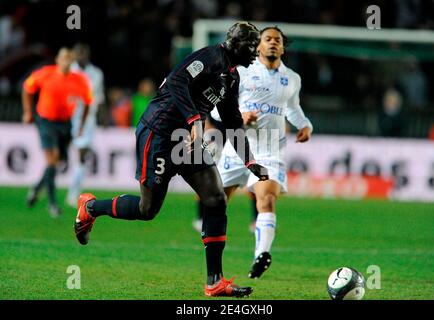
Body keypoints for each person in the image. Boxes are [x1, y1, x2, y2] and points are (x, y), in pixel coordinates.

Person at [74, 21, 268, 297]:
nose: (255, 53)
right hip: (160, 133)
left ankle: (215, 281)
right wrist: (195, 121)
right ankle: (91, 207)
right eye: (252, 48)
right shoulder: (211, 57)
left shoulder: (232, 77)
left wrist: (250, 162)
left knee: (215, 198)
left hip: (187, 138)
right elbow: (178, 80)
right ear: (238, 45)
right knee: (148, 209)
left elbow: (233, 122)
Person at [211, 26, 313, 279]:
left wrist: (305, 124)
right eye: (267, 39)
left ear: (283, 46)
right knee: (215, 203)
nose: (272, 43)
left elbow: (293, 108)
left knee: (266, 199)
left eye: (277, 40)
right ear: (258, 45)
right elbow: (214, 110)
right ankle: (213, 266)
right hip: (238, 146)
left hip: (270, 150)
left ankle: (261, 255)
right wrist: (240, 116)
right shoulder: (241, 72)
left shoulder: (292, 78)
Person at [23, 47, 92, 216]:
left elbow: (88, 102)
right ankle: (52, 204)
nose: (66, 61)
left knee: (57, 161)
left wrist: (82, 124)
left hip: (65, 123)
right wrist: (27, 111)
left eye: (69, 58)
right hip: (46, 121)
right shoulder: (46, 73)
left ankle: (36, 188)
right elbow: (27, 87)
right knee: (53, 159)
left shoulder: (79, 80)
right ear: (57, 60)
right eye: (64, 58)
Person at [66, 43, 105, 207]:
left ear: (88, 54)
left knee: (82, 155)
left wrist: (103, 118)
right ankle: (44, 189)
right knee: (59, 156)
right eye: (78, 53)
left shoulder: (96, 73)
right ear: (74, 54)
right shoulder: (68, 71)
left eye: (83, 52)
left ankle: (73, 192)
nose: (81, 55)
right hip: (68, 116)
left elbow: (99, 97)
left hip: (87, 118)